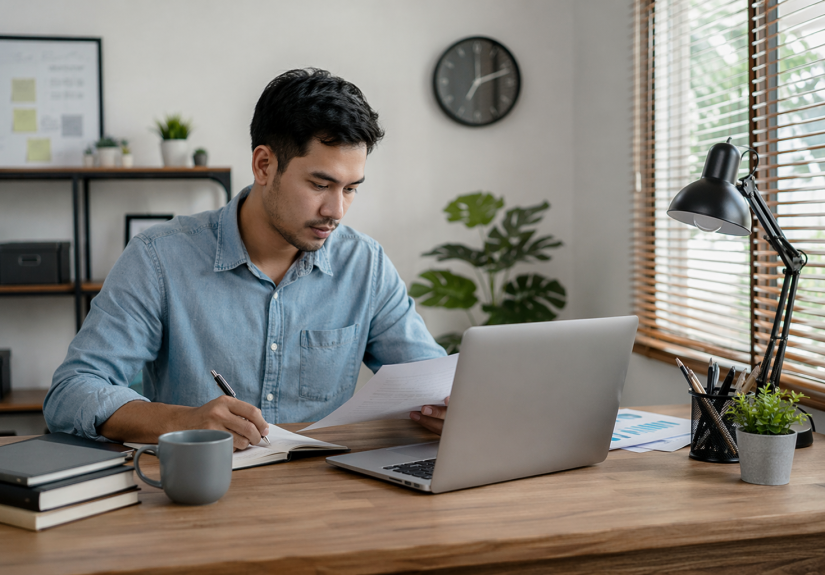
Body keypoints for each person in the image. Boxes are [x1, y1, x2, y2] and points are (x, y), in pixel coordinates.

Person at [44, 69, 449, 450]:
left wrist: (451, 407)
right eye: (320, 184)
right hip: (200, 493)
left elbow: (432, 382)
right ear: (264, 165)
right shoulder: (159, 259)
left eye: (350, 189)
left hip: (326, 500)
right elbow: (71, 392)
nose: (336, 210)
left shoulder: (366, 266)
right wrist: (182, 420)